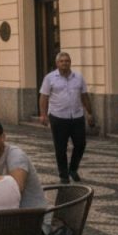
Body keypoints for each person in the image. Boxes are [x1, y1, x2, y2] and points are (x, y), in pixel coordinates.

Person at [0, 118, 49, 225]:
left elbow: (16, 191)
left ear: (3, 137)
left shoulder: (15, 156)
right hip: (9, 219)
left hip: (33, 223)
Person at [39, 51, 93, 183]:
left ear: (70, 62)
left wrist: (89, 113)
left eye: (67, 61)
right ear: (57, 63)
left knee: (80, 144)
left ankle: (73, 169)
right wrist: (43, 115)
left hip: (77, 115)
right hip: (58, 116)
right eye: (62, 61)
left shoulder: (78, 77)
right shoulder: (50, 78)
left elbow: (84, 95)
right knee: (60, 147)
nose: (64, 63)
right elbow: (44, 97)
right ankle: (63, 174)